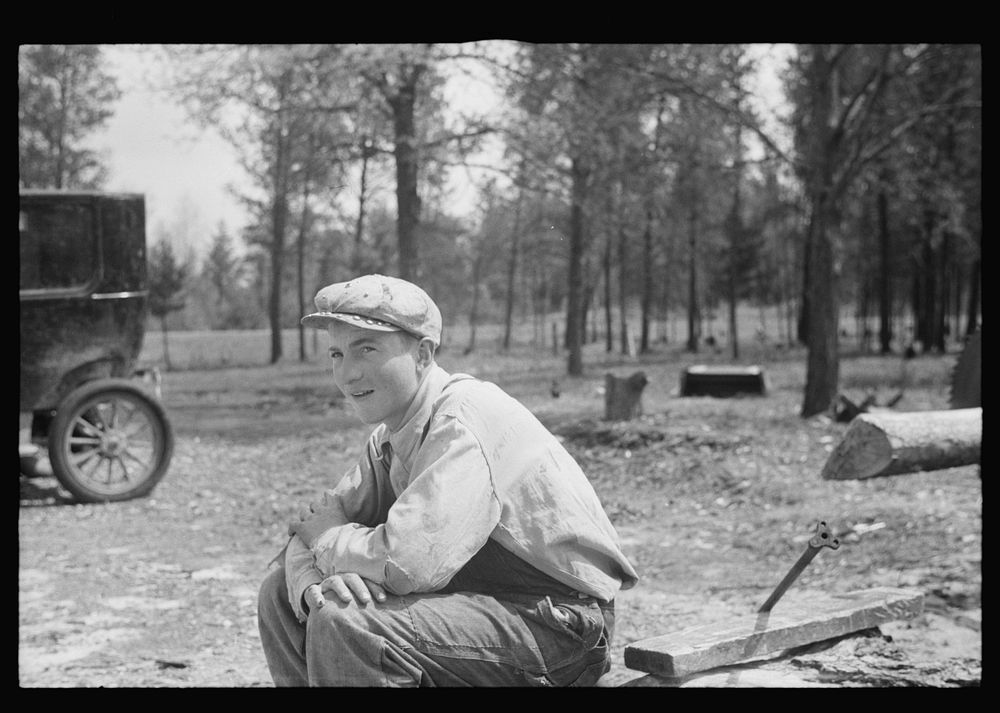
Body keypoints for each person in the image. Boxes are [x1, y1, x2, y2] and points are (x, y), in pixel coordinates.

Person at [257, 274, 638, 687]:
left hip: (559, 625)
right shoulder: (389, 437)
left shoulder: (462, 420)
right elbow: (311, 527)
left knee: (347, 620)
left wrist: (329, 542)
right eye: (336, 354)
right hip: (485, 608)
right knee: (282, 592)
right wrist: (308, 580)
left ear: (422, 354)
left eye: (365, 349)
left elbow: (406, 564)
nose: (346, 374)